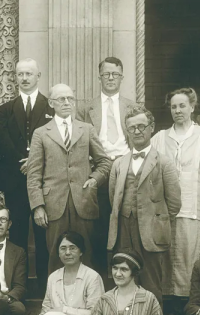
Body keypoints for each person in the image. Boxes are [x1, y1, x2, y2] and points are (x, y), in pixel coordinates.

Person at [27, 83, 111, 273]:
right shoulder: (41, 133)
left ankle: (88, 293)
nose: (67, 102)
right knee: (56, 256)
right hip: (54, 205)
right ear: (51, 103)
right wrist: (38, 206)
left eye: (70, 98)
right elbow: (33, 174)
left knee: (86, 255)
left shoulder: (86, 129)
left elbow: (104, 162)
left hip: (84, 200)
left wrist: (94, 179)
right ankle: (56, 293)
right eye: (61, 99)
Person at [108, 105, 181, 304]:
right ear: (127, 131)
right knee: (124, 279)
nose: (137, 131)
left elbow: (174, 203)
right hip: (123, 229)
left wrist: (155, 219)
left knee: (151, 282)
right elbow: (113, 198)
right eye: (132, 128)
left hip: (151, 232)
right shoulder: (119, 163)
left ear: (151, 128)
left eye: (141, 126)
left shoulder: (164, 162)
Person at [151, 88, 200, 303]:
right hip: (166, 207)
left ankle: (190, 301)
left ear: (192, 107)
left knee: (192, 251)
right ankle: (169, 301)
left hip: (194, 204)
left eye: (182, 105)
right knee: (168, 253)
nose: (178, 110)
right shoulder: (160, 138)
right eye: (173, 107)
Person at [0, 58, 53, 295]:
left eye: (29, 73)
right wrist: (22, 161)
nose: (25, 78)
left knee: (44, 235)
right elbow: (2, 141)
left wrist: (34, 161)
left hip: (43, 181)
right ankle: (19, 289)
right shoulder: (6, 109)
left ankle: (44, 289)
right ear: (15, 77)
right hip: (15, 182)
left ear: (38, 76)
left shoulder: (50, 107)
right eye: (20, 74)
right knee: (17, 236)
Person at [77, 56, 136, 274]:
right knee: (99, 225)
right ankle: (100, 276)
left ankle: (126, 273)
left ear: (122, 77)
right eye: (106, 74)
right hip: (98, 168)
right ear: (99, 77)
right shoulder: (86, 109)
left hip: (125, 167)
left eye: (115, 74)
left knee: (126, 222)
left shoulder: (132, 107)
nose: (111, 78)